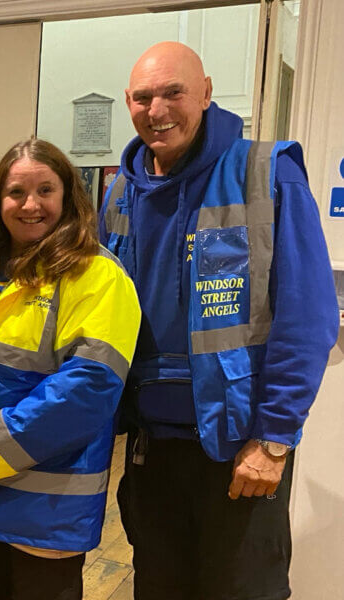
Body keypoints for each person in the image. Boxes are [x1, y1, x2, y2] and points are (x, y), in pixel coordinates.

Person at [100, 42, 337, 600]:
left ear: (206, 93)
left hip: (240, 451)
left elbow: (308, 317)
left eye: (173, 92)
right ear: (128, 104)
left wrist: (275, 438)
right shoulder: (118, 192)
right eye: (143, 97)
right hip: (150, 450)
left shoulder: (266, 173)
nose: (157, 110)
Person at [0, 138, 140, 599]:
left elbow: (87, 389)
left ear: (68, 197)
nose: (30, 204)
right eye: (16, 192)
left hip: (46, 511)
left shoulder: (99, 277)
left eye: (45, 191)